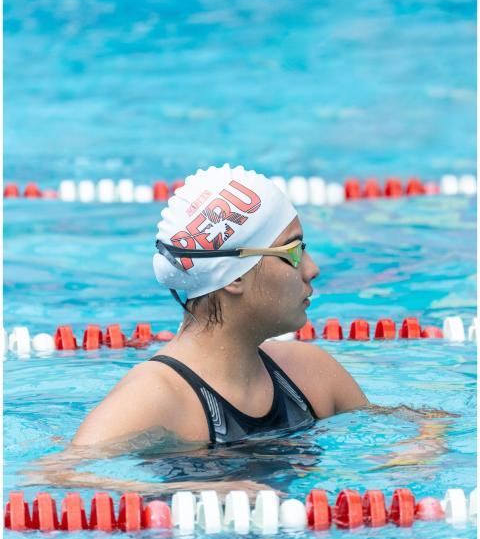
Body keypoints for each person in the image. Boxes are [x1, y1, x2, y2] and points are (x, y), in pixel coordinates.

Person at [25, 165, 455, 497]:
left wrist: (420, 450)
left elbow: (422, 421)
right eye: (292, 251)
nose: (312, 269)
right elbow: (52, 476)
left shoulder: (311, 374)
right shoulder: (156, 398)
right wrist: (189, 490)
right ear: (234, 276)